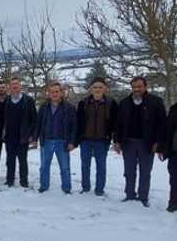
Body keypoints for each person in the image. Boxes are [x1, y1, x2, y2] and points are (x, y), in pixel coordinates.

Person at [114, 76, 167, 207]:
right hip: (128, 142)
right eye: (134, 87)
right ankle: (130, 194)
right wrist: (117, 141)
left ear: (145, 87)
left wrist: (158, 143)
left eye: (139, 86)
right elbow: (118, 124)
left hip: (147, 143)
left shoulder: (156, 102)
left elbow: (162, 125)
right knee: (129, 171)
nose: (136, 89)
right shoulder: (124, 103)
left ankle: (143, 197)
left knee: (145, 171)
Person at [76, 77, 118, 196]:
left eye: (100, 87)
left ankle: (99, 189)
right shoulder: (83, 103)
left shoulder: (111, 103)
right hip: (86, 140)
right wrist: (77, 139)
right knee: (85, 165)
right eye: (95, 87)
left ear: (105, 89)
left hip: (102, 140)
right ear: (90, 89)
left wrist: (115, 139)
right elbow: (78, 123)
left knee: (101, 166)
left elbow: (115, 123)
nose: (97, 89)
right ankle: (85, 187)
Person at [34, 82, 77, 194]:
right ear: (48, 94)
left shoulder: (69, 108)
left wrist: (72, 142)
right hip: (46, 141)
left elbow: (74, 126)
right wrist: (35, 138)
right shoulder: (44, 107)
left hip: (62, 141)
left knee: (65, 168)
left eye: (57, 91)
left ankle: (66, 188)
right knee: (44, 166)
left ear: (61, 93)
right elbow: (38, 124)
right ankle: (44, 186)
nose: (54, 94)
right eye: (52, 92)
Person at [3, 77, 37, 188]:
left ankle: (24, 181)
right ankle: (9, 180)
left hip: (23, 136)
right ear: (10, 87)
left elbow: (34, 120)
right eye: (12, 85)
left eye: (16, 84)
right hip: (10, 136)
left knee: (22, 160)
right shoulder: (7, 100)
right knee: (10, 160)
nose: (14, 86)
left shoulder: (28, 100)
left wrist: (32, 135)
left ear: (20, 86)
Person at [164, 101, 177, 212]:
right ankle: (173, 202)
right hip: (174, 151)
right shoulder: (174, 109)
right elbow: (168, 130)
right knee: (174, 179)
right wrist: (164, 149)